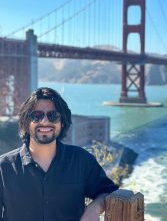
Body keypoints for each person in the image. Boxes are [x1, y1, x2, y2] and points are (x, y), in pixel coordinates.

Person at [0, 87, 118, 221]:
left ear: (62, 123)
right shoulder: (3, 168)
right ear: (26, 123)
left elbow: (108, 191)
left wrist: (94, 209)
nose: (44, 121)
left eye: (53, 115)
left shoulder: (81, 160)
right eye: (36, 116)